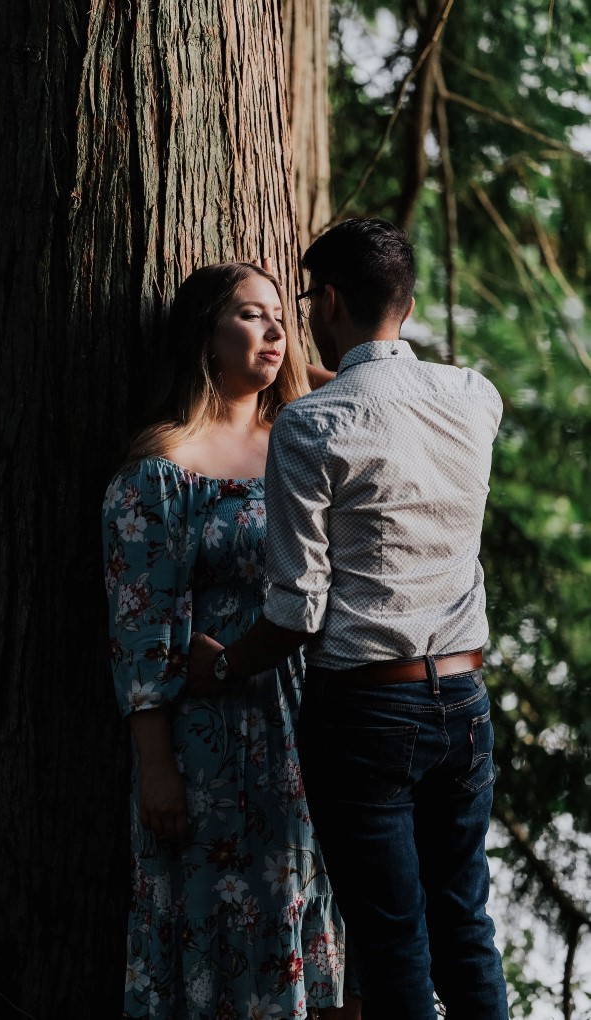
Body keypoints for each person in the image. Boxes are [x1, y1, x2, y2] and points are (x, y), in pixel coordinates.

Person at [189, 220, 509, 1019]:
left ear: (326, 300)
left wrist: (222, 664)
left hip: (366, 710)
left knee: (392, 942)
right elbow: (388, 397)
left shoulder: (309, 427)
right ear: (400, 298)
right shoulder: (473, 396)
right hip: (465, 701)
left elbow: (297, 612)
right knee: (464, 924)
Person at [102, 262, 360, 1019]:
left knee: (309, 909)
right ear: (202, 337)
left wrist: (290, 373)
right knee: (217, 922)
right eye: (250, 316)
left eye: (281, 314)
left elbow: (390, 384)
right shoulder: (162, 468)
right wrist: (155, 767)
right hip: (210, 744)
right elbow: (138, 627)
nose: (276, 330)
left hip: (317, 725)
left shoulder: (304, 440)